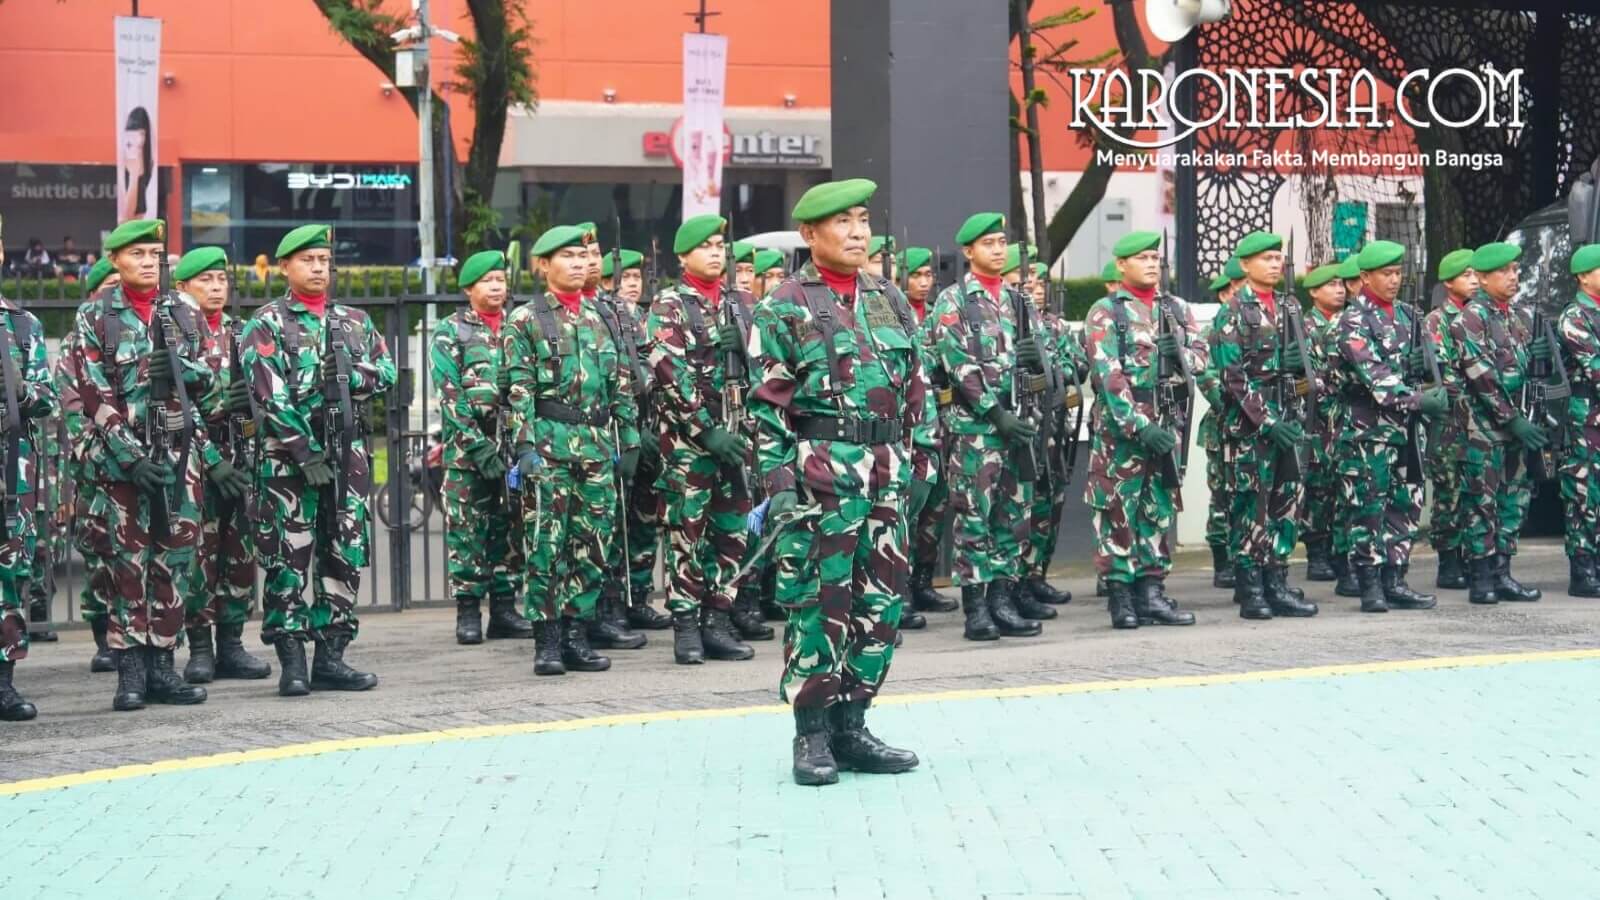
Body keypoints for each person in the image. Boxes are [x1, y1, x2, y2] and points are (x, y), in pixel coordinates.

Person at [747, 178, 927, 785]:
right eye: (842, 222)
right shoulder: (784, 305)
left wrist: (919, 463)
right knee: (821, 604)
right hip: (820, 472)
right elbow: (767, 406)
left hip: (885, 470)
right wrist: (777, 487)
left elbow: (916, 392)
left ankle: (854, 725)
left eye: (861, 220)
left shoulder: (889, 299)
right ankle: (813, 734)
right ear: (808, 234)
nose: (857, 232)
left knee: (882, 605)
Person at [76, 218, 237, 711]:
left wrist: (181, 370)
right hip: (123, 466)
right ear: (117, 260)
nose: (149, 262)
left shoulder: (181, 312)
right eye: (138, 254)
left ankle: (163, 666)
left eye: (154, 254)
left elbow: (215, 384)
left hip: (180, 459)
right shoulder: (97, 315)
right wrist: (128, 455)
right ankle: (130, 673)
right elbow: (91, 392)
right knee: (128, 565)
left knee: (175, 561)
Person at [242, 224, 395, 696]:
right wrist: (304, 450)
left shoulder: (354, 321)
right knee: (289, 558)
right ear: (285, 266)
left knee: (343, 553)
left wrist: (354, 373)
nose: (318, 269)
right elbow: (267, 393)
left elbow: (387, 372)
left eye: (324, 261)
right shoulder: (265, 323)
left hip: (346, 458)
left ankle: (331, 656)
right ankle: (292, 661)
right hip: (289, 464)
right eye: (307, 261)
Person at [503, 225, 640, 676]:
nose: (580, 264)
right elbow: (517, 389)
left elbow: (620, 381)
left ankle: (576, 632)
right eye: (567, 256)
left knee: (592, 543)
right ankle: (547, 640)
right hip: (549, 443)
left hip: (597, 446)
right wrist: (524, 446)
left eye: (583, 256)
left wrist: (631, 439)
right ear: (543, 265)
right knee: (546, 544)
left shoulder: (599, 317)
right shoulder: (527, 319)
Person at [644, 214, 762, 664]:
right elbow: (668, 372)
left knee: (732, 532)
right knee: (687, 535)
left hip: (738, 436)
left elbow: (769, 360)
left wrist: (746, 340)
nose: (716, 253)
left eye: (720, 245)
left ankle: (718, 617)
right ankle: (687, 624)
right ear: (683, 256)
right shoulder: (670, 305)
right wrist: (705, 430)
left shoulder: (743, 302)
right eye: (706, 246)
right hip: (690, 445)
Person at [926, 214, 1049, 640]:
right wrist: (997, 414)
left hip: (1021, 426)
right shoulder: (953, 301)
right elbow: (959, 366)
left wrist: (1038, 357)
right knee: (974, 515)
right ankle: (976, 607)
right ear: (968, 252)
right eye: (989, 244)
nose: (998, 250)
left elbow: (1045, 361)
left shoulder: (1021, 302)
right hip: (977, 428)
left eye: (1002, 242)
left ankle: (1003, 598)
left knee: (1013, 515)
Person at [1083, 231, 1206, 627]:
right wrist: (1139, 425)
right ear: (1121, 265)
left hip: (1168, 428)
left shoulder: (1177, 309)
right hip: (1123, 436)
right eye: (1142, 257)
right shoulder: (1106, 312)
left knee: (1158, 509)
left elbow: (1202, 359)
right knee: (1117, 511)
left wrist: (1181, 356)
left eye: (1155, 257)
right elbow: (1108, 377)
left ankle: (1151, 592)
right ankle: (1121, 597)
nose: (1152, 263)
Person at [1206, 232, 1320, 620]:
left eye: (1278, 258)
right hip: (1251, 430)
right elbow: (1233, 377)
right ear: (1246, 265)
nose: (1275, 264)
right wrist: (1268, 421)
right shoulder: (1234, 311)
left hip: (1289, 422)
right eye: (1267, 258)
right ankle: (1251, 587)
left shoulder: (1290, 306)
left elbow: (1307, 365)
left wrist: (1301, 392)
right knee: (1250, 506)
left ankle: (1278, 579)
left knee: (1286, 503)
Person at [172, 246, 273, 683]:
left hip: (243, 456)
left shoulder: (241, 331)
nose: (216, 288)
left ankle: (231, 644)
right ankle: (199, 648)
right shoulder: (176, 334)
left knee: (240, 551)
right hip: (198, 461)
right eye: (205, 281)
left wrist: (249, 417)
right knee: (200, 555)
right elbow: (179, 404)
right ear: (183, 288)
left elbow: (264, 391)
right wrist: (212, 460)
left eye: (221, 280)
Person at [1332, 240, 1450, 612]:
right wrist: (1418, 399)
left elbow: (1432, 363)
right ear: (1365, 277)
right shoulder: (1352, 320)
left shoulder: (1408, 316)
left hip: (1405, 429)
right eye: (1386, 273)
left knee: (1405, 503)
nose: (1394, 280)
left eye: (1398, 272)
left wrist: (1429, 372)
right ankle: (1369, 584)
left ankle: (1395, 579)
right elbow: (1376, 377)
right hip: (1368, 431)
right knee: (1368, 507)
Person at [431, 250, 534, 646]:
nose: (497, 288)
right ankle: (469, 610)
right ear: (469, 288)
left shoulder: (518, 326)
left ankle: (505, 608)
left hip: (511, 447)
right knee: (468, 532)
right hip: (467, 456)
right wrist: (478, 448)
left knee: (510, 529)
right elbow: (451, 397)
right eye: (488, 281)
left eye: (501, 280)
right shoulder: (450, 331)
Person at [1444, 242, 1546, 605]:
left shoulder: (1516, 318)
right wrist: (1513, 419)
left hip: (1516, 426)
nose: (1513, 277)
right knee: (1481, 504)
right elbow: (1482, 378)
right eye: (1504, 272)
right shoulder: (1469, 320)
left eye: (1516, 270)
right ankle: (1481, 577)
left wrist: (1538, 360)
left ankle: (1503, 572)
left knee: (1513, 500)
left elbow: (1524, 374)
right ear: (1483, 278)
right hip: (1481, 431)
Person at [574, 224, 649, 651]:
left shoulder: (619, 309)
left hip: (622, 429)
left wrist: (640, 429)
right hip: (578, 436)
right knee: (581, 531)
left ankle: (613, 606)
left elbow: (642, 368)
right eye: (582, 253)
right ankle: (581, 616)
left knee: (617, 521)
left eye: (595, 253)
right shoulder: (547, 314)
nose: (590, 261)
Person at [0, 224, 56, 722]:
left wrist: (17, 392)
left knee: (10, 576)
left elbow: (47, 398)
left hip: (11, 475)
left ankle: (4, 682)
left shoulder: (22, 327)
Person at [599, 247, 672, 631]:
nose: (631, 284)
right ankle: (610, 601)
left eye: (635, 277)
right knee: (614, 522)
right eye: (624, 277)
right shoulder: (604, 317)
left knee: (646, 519)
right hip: (619, 432)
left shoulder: (643, 320)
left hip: (651, 430)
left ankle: (639, 596)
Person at [898, 246, 958, 621]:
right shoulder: (893, 313)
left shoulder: (937, 315)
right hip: (908, 427)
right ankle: (899, 586)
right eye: (915, 275)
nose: (923, 282)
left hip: (940, 423)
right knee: (906, 511)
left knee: (935, 510)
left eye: (927, 275)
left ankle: (923, 581)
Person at [1022, 260, 1084, 607]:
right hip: (1028, 426)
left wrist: (1061, 371)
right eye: (1029, 279)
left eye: (1041, 280)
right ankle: (1018, 580)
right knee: (1026, 506)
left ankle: (1038, 573)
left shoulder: (1055, 326)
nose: (1038, 286)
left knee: (1051, 503)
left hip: (1057, 426)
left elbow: (1079, 365)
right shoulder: (1016, 323)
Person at [1425, 249, 1477, 590]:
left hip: (1479, 420)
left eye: (1476, 274)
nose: (1474, 280)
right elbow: (1445, 372)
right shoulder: (1436, 320)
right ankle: (1448, 560)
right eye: (1466, 274)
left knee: (1475, 490)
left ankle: (1473, 557)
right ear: (1448, 283)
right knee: (1449, 491)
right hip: (1450, 420)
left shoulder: (1478, 316)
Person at [1299, 263, 1347, 584]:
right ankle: (1316, 551)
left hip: (1346, 418)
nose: (1340, 289)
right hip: (1316, 419)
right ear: (1314, 292)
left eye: (1342, 283)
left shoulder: (1351, 323)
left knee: (1343, 486)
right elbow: (1306, 378)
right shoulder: (1303, 326)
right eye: (1331, 285)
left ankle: (1338, 550)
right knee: (1318, 487)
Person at [1558, 244, 1600, 597]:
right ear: (1583, 277)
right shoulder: (1575, 317)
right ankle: (1582, 570)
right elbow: (1594, 368)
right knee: (1584, 493)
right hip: (1587, 420)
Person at [1198, 266, 1239, 588]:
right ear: (1225, 293)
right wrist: (1233, 404)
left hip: (1254, 429)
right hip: (1223, 426)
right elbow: (1206, 375)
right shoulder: (1212, 331)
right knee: (1222, 497)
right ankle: (1222, 560)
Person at [120, 107, 154, 220]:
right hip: (129, 229)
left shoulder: (149, 162)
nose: (139, 139)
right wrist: (133, 176)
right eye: (135, 133)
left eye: (142, 133)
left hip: (140, 228)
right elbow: (127, 214)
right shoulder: (125, 161)